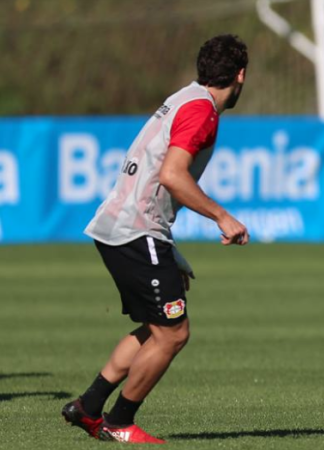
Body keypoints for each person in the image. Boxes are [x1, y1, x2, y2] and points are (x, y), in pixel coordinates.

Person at [61, 34, 250, 444]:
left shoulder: (186, 96)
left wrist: (169, 250)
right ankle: (118, 422)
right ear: (240, 75)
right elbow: (172, 176)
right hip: (136, 228)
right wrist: (223, 216)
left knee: (157, 327)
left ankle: (88, 408)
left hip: (125, 226)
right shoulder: (202, 112)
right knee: (174, 333)